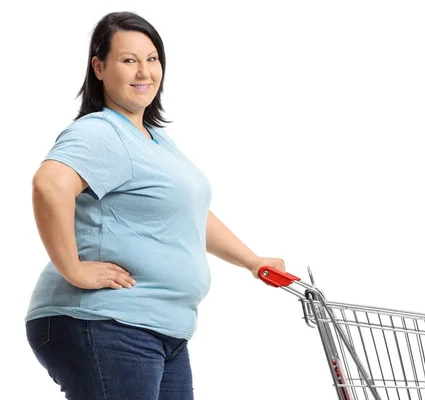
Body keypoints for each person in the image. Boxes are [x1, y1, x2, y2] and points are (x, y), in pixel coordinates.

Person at [24, 11, 285, 400]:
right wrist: (73, 269)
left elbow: (188, 214)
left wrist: (251, 260)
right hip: (105, 322)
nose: (144, 72)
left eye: (152, 59)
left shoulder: (153, 139)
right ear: (99, 67)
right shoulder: (102, 131)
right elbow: (49, 185)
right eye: (128, 60)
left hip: (160, 329)